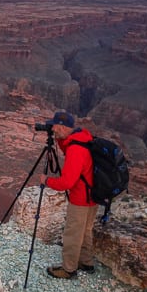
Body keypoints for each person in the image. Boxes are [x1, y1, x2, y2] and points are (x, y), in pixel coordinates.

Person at [38, 110, 98, 279]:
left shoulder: (76, 149)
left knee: (72, 233)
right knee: (85, 230)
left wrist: (46, 181)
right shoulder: (82, 138)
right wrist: (58, 138)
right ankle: (86, 263)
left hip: (81, 198)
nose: (52, 129)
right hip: (93, 195)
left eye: (55, 126)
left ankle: (68, 269)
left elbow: (66, 183)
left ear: (63, 126)